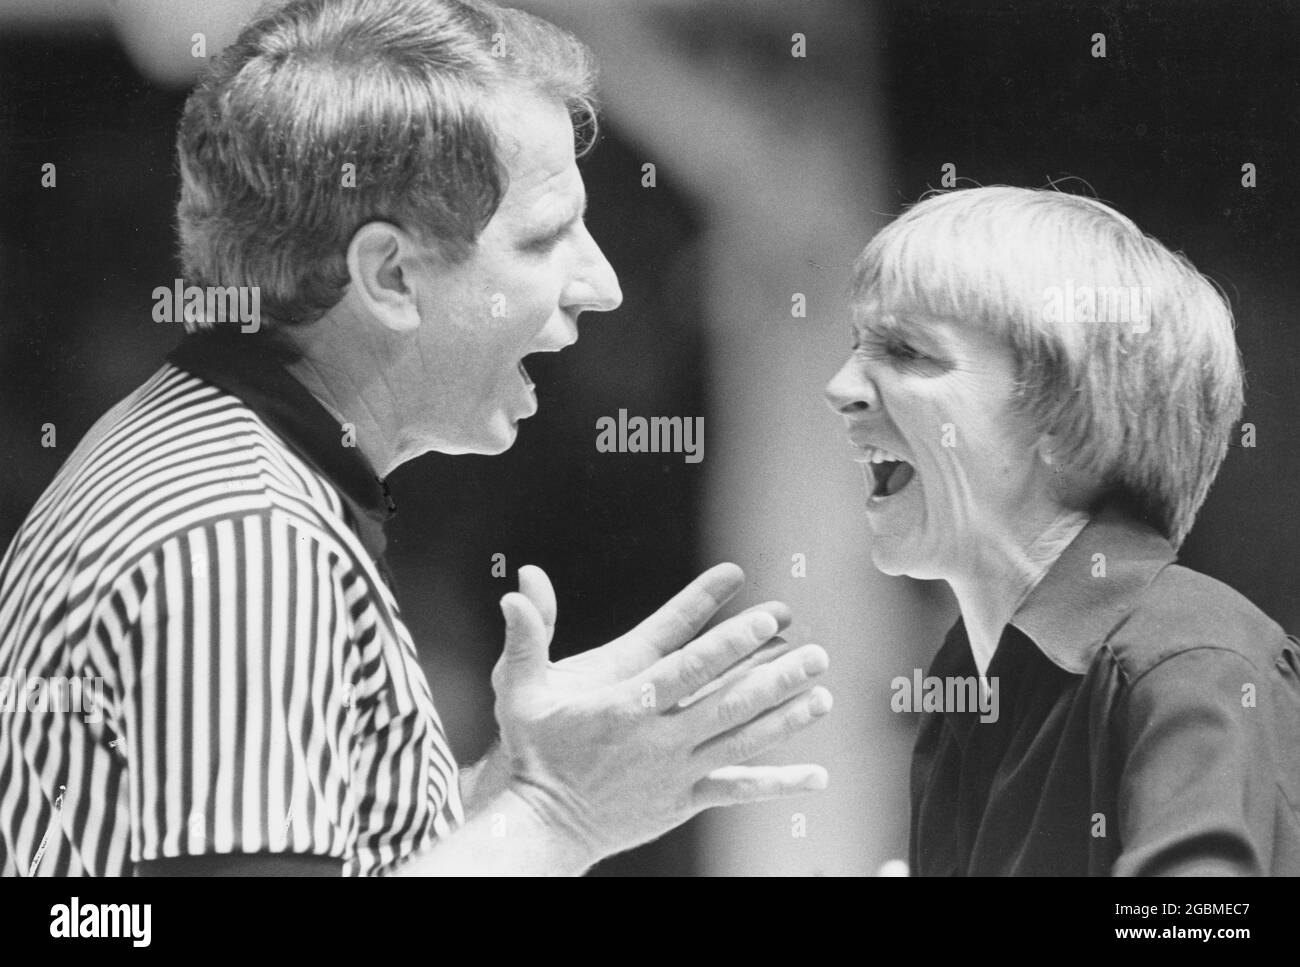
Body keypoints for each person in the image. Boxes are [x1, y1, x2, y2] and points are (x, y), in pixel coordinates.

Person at [0, 0, 832, 877]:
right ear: (390, 275)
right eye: (548, 235)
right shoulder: (243, 538)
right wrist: (561, 816)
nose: (605, 284)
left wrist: (515, 786)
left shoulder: (217, 462)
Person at [824, 186, 1300, 876]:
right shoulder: (972, 677)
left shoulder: (1191, 657)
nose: (840, 385)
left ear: (1067, 420)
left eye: (906, 350)